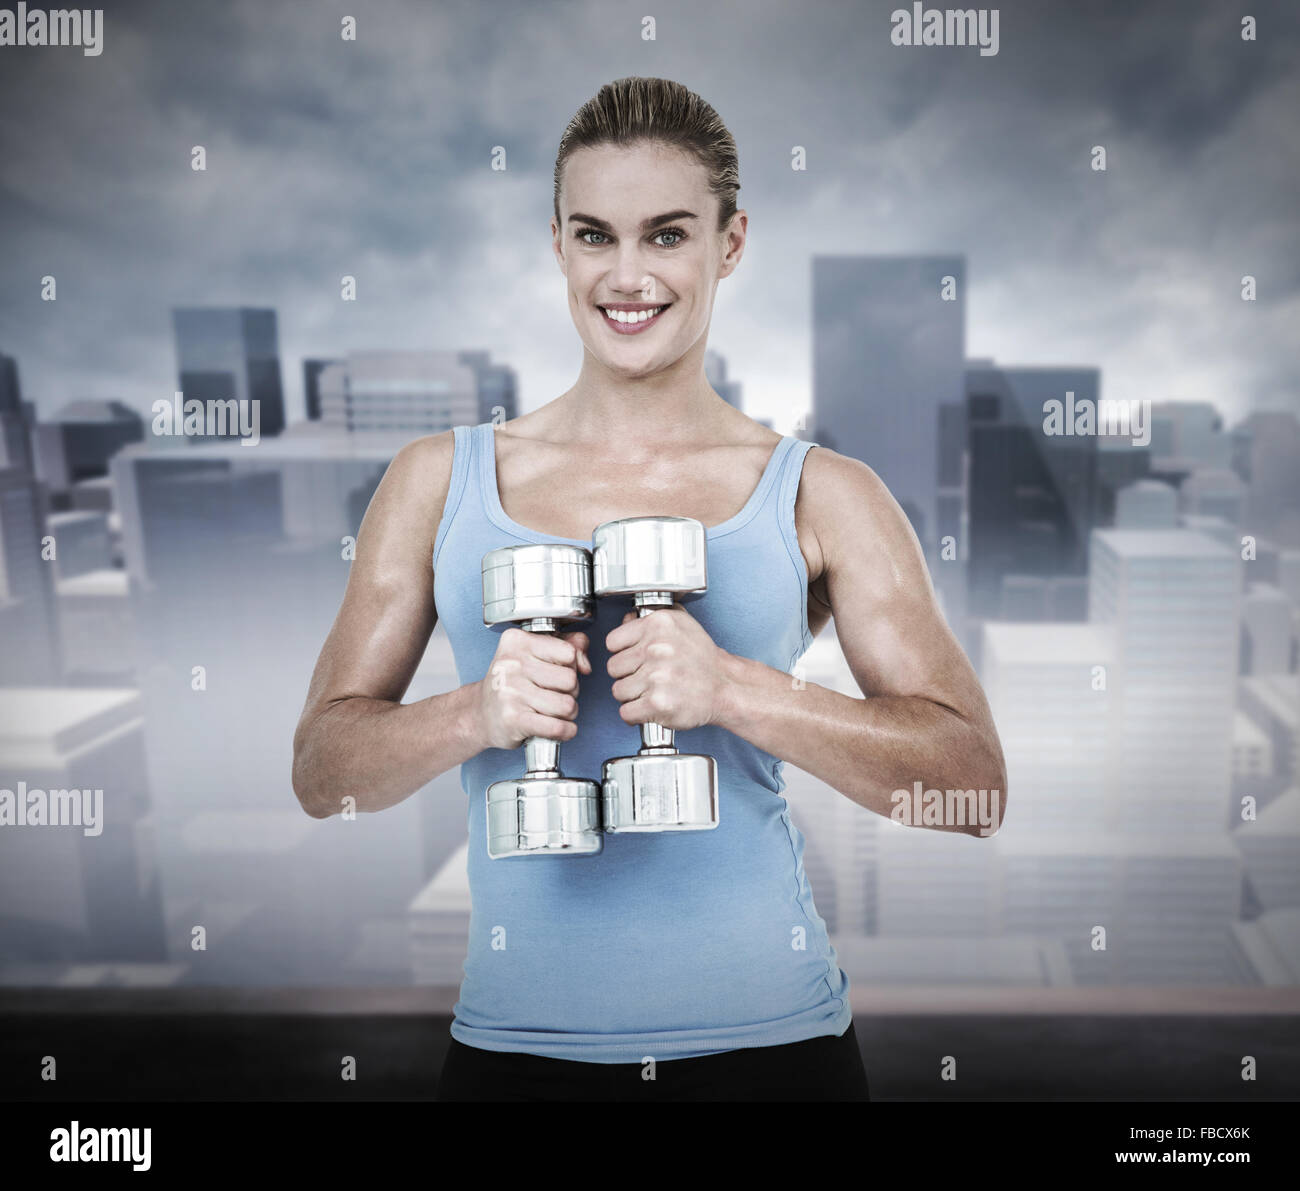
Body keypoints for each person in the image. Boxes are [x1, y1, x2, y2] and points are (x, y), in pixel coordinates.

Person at [291, 76, 1007, 1102]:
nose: (627, 276)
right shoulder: (436, 480)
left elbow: (972, 784)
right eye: (595, 236)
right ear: (557, 245)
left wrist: (734, 692)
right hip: (516, 1051)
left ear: (731, 243)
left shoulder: (822, 494)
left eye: (667, 235)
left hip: (774, 1054)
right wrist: (475, 711)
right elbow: (322, 772)